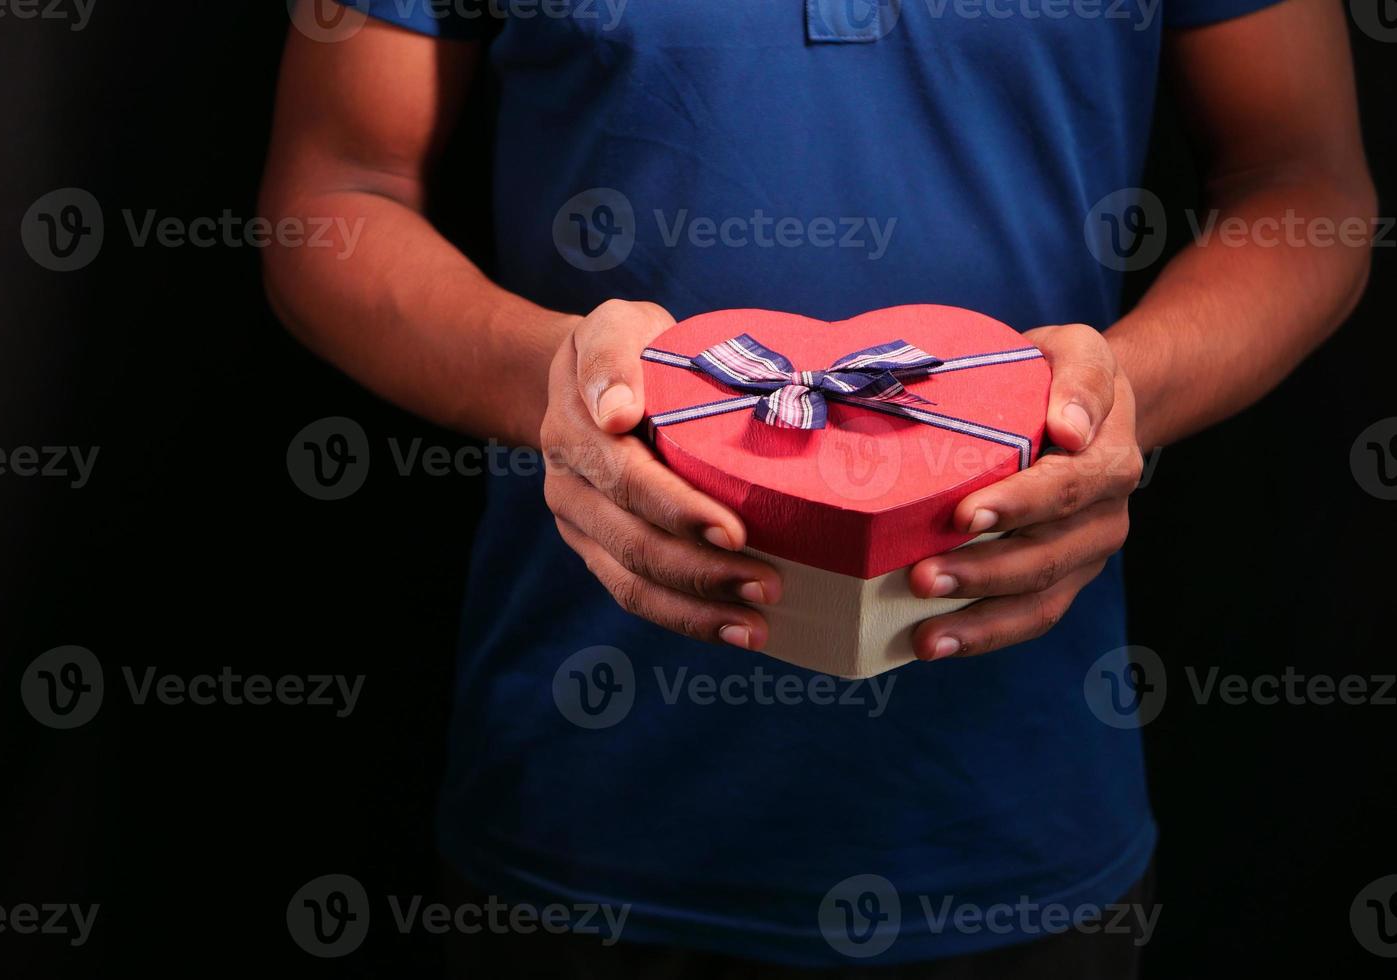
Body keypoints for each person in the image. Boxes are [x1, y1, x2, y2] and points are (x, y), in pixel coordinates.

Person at [260, 0, 1373, 973]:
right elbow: (333, 194)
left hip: (1011, 808)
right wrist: (557, 389)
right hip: (586, 799)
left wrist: (1116, 397)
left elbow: (1302, 181)